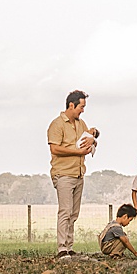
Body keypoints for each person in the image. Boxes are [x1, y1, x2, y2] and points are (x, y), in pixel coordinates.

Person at [46, 89, 98, 257]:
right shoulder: (57, 124)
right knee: (65, 211)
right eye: (81, 107)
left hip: (78, 173)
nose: (83, 110)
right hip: (63, 174)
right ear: (71, 105)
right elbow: (54, 148)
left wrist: (94, 136)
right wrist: (78, 153)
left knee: (74, 213)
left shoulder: (81, 124)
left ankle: (69, 246)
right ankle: (61, 248)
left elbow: (89, 136)